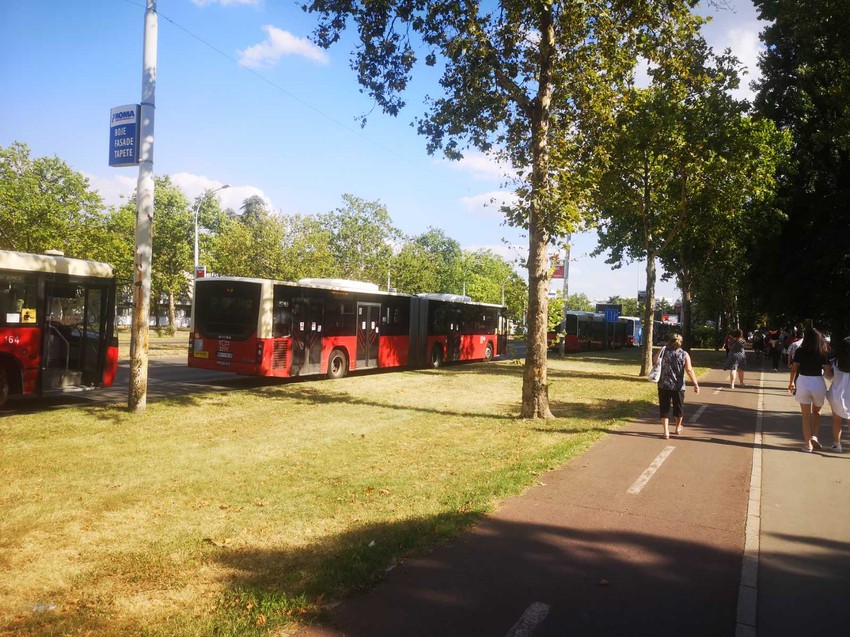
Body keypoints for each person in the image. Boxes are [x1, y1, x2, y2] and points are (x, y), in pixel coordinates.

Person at [788, 326, 833, 452]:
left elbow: (794, 369)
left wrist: (791, 383)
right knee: (817, 412)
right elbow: (828, 373)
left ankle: (808, 445)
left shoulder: (800, 351)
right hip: (818, 382)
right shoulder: (822, 352)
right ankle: (814, 436)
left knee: (805, 416)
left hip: (803, 382)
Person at [654, 333, 700, 439]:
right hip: (678, 386)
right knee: (678, 407)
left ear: (670, 341)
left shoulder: (663, 351)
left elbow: (655, 360)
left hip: (664, 384)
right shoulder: (684, 354)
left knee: (664, 408)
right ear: (681, 343)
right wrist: (695, 384)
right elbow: (689, 369)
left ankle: (666, 431)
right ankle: (678, 427)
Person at [827, 335, 850, 453]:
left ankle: (837, 444)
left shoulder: (835, 362)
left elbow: (828, 376)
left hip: (837, 394)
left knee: (836, 420)